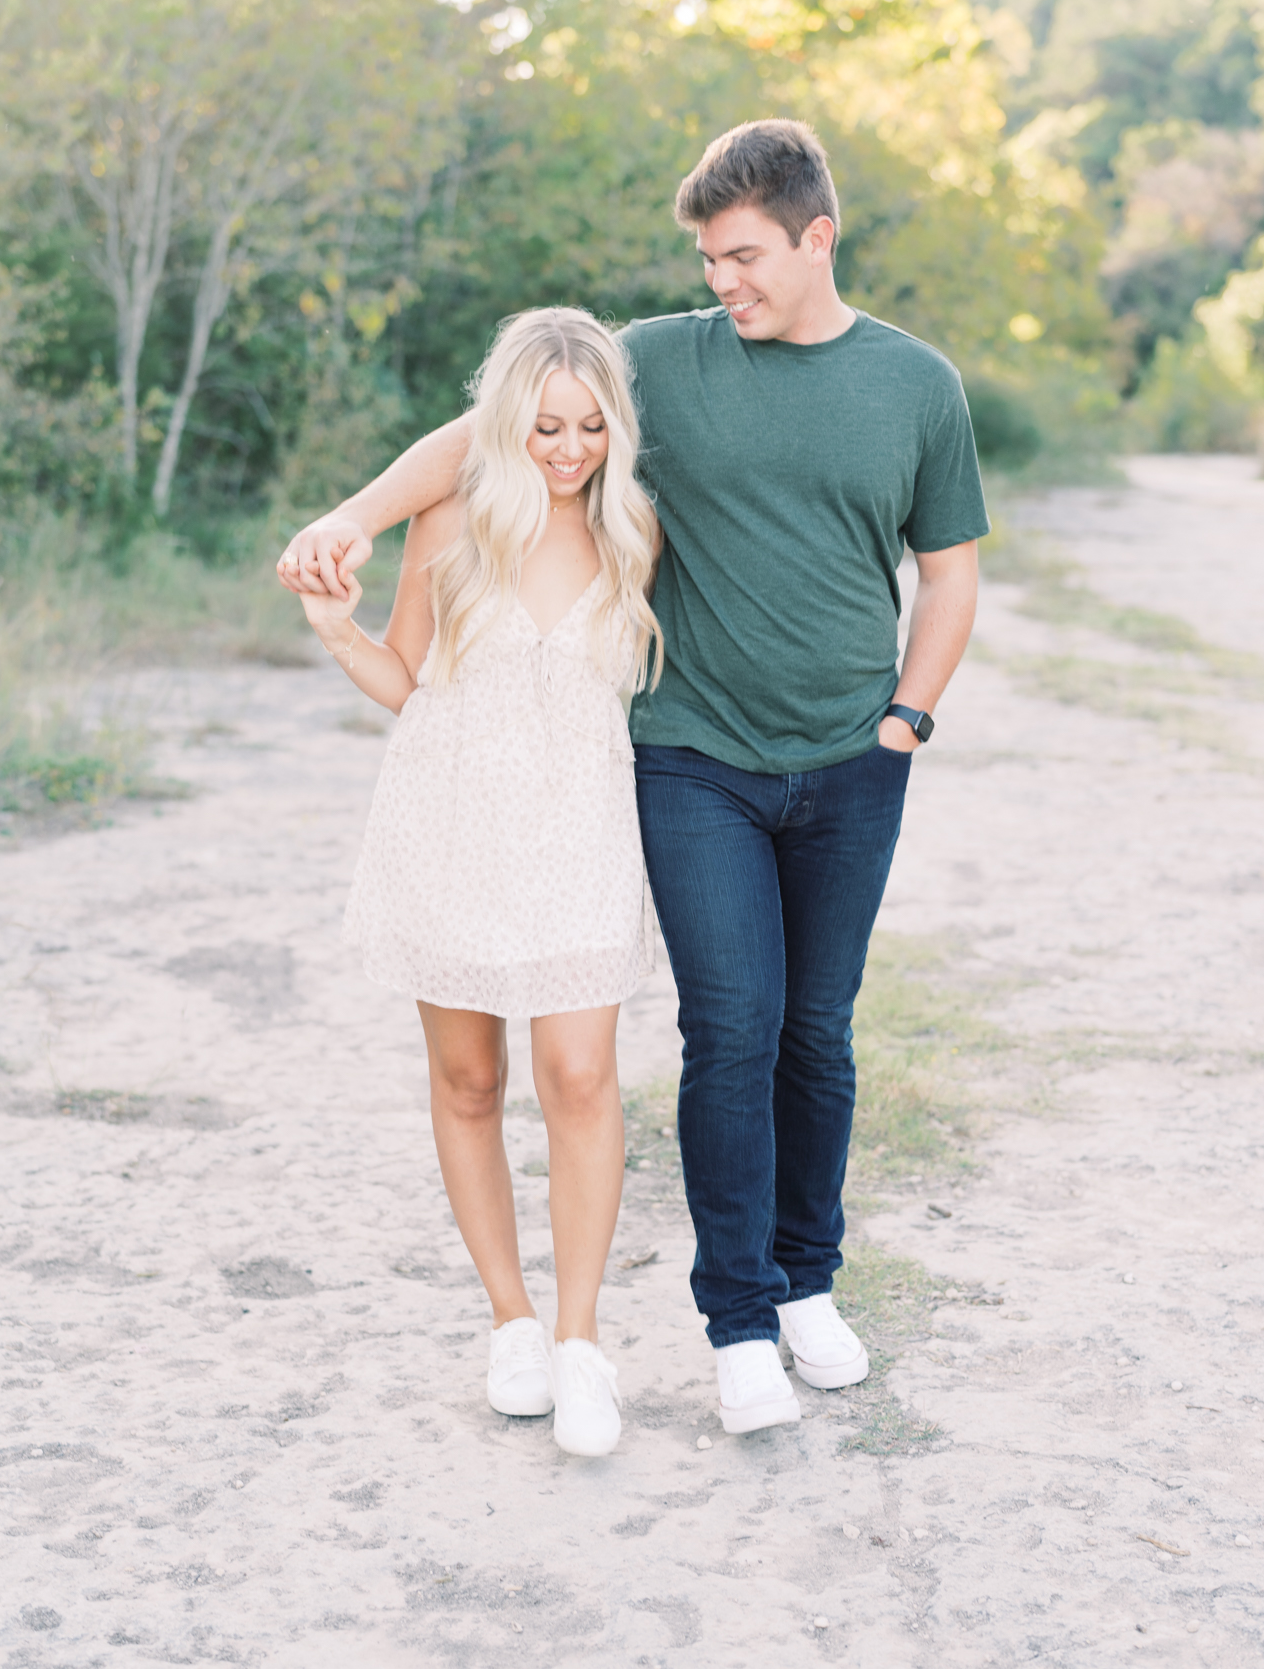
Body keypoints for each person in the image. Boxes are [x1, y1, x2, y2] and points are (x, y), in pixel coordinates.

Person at [279, 119, 987, 1437]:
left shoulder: (898, 391)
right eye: (707, 259)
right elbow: (489, 429)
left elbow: (947, 572)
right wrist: (350, 523)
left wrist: (904, 721)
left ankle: (783, 1292)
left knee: (801, 1035)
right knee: (707, 1034)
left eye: (741, 256)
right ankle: (684, 1320)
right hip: (649, 774)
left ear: (813, 236)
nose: (721, 280)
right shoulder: (654, 358)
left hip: (814, 767)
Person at [284, 307, 663, 1458]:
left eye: (590, 426)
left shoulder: (636, 526)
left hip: (583, 830)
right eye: (544, 425)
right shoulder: (449, 518)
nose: (565, 448)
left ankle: (583, 1341)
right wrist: (334, 629)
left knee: (581, 1075)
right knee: (466, 1078)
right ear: (504, 422)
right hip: (450, 821)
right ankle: (510, 1321)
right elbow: (407, 678)